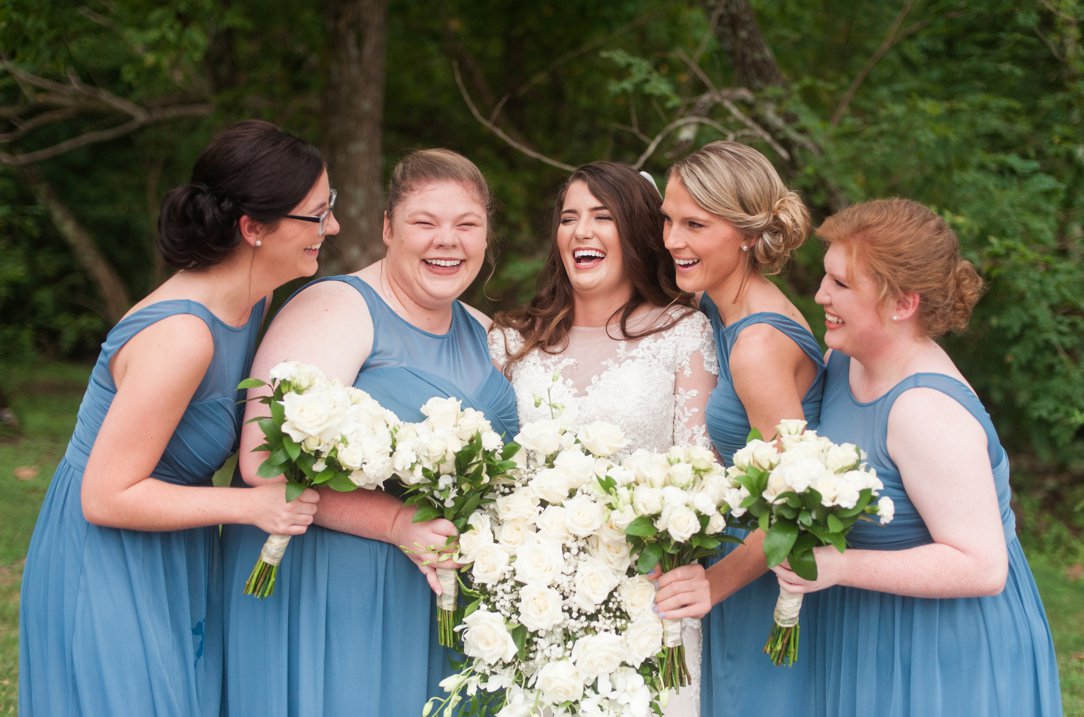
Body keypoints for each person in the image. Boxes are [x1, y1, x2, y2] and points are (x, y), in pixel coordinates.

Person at [18, 119, 327, 716]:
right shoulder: (182, 336)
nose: (331, 227)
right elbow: (104, 496)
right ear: (253, 228)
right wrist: (251, 506)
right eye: (316, 215)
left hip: (174, 545)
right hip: (105, 555)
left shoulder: (254, 301)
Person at [219, 148, 519, 716]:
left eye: (466, 225)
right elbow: (262, 464)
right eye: (424, 223)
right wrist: (397, 522)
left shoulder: (487, 332)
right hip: (335, 587)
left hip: (437, 596)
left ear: (486, 236)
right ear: (387, 229)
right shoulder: (337, 308)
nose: (447, 241)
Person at [772, 198, 1062, 716]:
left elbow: (982, 566)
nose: (820, 295)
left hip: (944, 649)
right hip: (866, 627)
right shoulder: (843, 357)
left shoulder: (925, 411)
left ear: (903, 304)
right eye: (826, 277)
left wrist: (840, 566)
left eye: (841, 284)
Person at [489, 161, 718, 716]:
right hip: (531, 600)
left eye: (601, 216)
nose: (580, 232)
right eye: (569, 218)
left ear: (637, 233)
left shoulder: (683, 333)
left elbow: (701, 474)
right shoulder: (509, 341)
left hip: (647, 602)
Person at [649, 141, 824, 717]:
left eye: (696, 224)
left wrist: (712, 586)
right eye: (669, 220)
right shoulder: (712, 304)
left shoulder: (757, 345)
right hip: (729, 556)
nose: (674, 239)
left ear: (748, 234)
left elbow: (794, 502)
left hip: (759, 576)